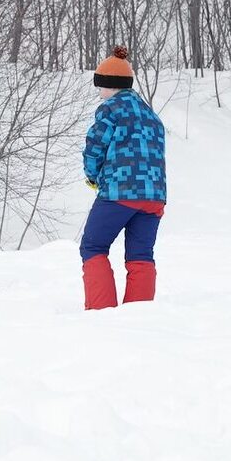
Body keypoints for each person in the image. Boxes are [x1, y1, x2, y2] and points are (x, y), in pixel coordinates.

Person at [81, 45, 167, 310]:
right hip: (154, 196)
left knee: (93, 246)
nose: (100, 94)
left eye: (100, 88)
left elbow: (95, 145)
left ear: (109, 86)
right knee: (141, 255)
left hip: (120, 191)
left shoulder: (110, 110)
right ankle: (138, 314)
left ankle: (101, 310)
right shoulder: (151, 115)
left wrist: (93, 176)